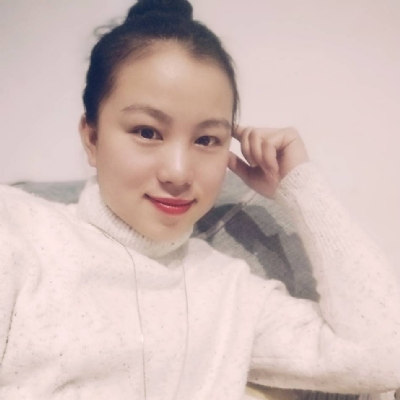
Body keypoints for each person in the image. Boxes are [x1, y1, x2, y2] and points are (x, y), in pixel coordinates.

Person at [0, 0, 399, 399]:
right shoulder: (19, 234)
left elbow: (384, 357)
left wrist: (303, 189)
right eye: (147, 132)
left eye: (207, 139)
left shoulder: (232, 294)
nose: (178, 173)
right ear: (92, 138)